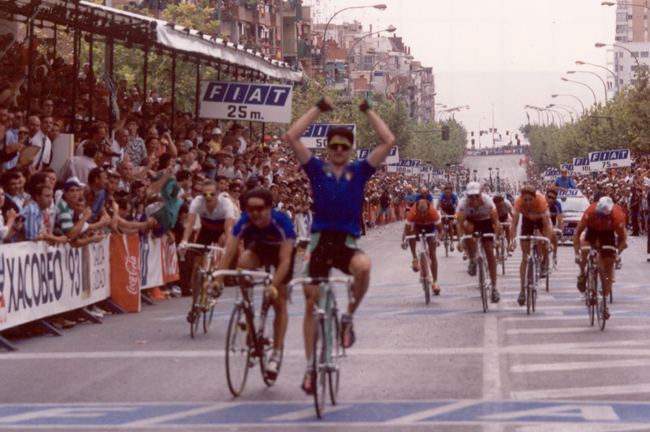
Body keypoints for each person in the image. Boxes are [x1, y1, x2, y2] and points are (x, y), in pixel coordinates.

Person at [286, 96, 395, 394]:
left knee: (364, 266)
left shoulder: (360, 170)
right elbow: (292, 136)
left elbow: (388, 140)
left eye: (343, 147)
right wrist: (318, 108)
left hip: (346, 241)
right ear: (327, 148)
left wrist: (368, 110)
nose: (337, 150)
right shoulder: (315, 169)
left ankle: (347, 317)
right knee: (311, 304)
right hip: (320, 240)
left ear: (350, 150)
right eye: (333, 146)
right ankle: (310, 368)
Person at [215, 189, 295, 378]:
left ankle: (275, 355)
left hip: (281, 254)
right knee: (244, 261)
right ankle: (247, 307)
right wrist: (217, 279)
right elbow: (228, 252)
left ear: (269, 208)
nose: (255, 213)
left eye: (260, 208)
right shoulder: (245, 220)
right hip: (260, 249)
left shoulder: (282, 222)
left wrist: (273, 285)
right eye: (250, 209)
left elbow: (285, 261)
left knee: (279, 301)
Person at [178, 179, 236, 323]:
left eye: (212, 194)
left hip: (223, 229)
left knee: (225, 248)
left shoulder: (226, 204)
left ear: (218, 194)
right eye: (205, 194)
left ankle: (218, 279)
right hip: (207, 230)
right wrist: (184, 241)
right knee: (197, 266)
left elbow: (229, 230)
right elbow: (190, 223)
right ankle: (194, 305)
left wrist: (227, 249)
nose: (208, 197)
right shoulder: (197, 202)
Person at [573, 197, 627, 319]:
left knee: (608, 266)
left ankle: (604, 300)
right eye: (598, 215)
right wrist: (577, 253)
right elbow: (577, 233)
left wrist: (617, 253)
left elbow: (622, 239)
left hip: (608, 233)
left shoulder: (617, 216)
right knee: (584, 252)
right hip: (592, 230)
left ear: (610, 213)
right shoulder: (591, 211)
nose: (600, 218)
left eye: (603, 216)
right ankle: (582, 274)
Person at [456, 181, 501, 303]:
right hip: (471, 222)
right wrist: (461, 240)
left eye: (476, 195)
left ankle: (494, 287)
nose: (474, 198)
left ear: (481, 193)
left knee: (490, 253)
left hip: (486, 222)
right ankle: (472, 259)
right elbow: (459, 225)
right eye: (471, 196)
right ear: (467, 196)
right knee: (468, 228)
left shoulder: (487, 200)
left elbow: (497, 222)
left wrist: (495, 239)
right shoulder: (463, 202)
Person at [508, 185, 553, 306]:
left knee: (541, 238)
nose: (527, 202)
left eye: (530, 200)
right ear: (521, 198)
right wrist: (512, 241)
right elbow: (514, 225)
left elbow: (547, 225)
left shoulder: (541, 202)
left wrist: (548, 242)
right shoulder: (518, 203)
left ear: (535, 198)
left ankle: (543, 261)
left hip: (540, 220)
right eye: (525, 200)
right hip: (527, 221)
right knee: (525, 256)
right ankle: (522, 290)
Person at [402, 198, 444, 295]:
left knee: (432, 252)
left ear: (429, 209)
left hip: (431, 228)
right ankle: (415, 258)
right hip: (418, 227)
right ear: (416, 209)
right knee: (411, 234)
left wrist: (438, 239)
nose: (422, 215)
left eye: (425, 212)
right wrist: (404, 241)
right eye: (420, 212)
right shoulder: (412, 212)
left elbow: (442, 231)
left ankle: (435, 282)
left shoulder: (433, 213)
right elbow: (406, 231)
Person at [437, 184, 458, 250]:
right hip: (444, 209)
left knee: (450, 225)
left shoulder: (454, 196)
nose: (448, 194)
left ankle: (451, 243)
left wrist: (457, 213)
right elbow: (438, 205)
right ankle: (442, 233)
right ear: (444, 192)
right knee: (442, 220)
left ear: (451, 192)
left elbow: (457, 205)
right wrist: (436, 212)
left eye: (449, 192)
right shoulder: (442, 196)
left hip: (451, 209)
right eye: (446, 192)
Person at [545, 189, 564, 263]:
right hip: (542, 221)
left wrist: (561, 233)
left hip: (552, 221)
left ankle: (555, 254)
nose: (550, 200)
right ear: (546, 196)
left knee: (554, 232)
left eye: (553, 198)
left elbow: (560, 219)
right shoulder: (542, 202)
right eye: (549, 197)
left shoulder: (557, 204)